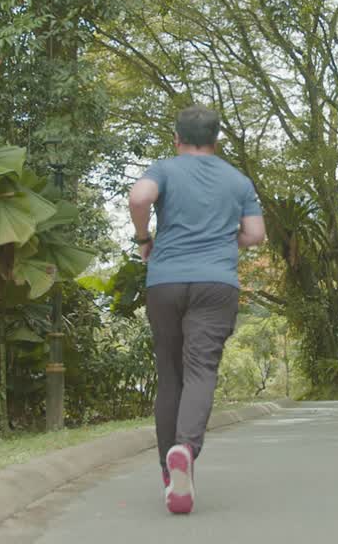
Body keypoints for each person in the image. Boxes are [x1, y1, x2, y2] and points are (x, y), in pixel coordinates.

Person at [127, 105, 265, 515]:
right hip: (215, 283)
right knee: (201, 369)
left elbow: (139, 197)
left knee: (170, 375)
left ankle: (171, 478)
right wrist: (224, 238)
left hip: (165, 281)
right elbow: (256, 234)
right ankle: (185, 449)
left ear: (177, 139)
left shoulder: (165, 169)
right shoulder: (237, 179)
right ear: (217, 140)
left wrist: (142, 237)